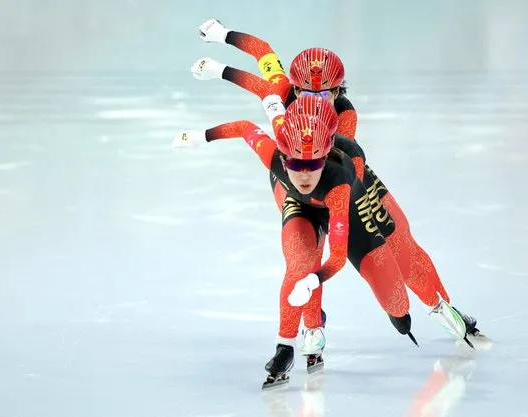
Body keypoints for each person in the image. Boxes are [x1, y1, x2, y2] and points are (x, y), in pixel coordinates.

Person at [191, 19, 487, 346]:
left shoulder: (344, 116)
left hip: (340, 177)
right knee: (305, 255)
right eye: (305, 91)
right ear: (294, 87)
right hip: (295, 181)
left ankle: (442, 304)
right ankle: (312, 327)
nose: (314, 99)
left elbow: (344, 161)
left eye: (323, 94)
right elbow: (263, 55)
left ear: (337, 91)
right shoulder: (281, 89)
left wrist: (221, 70)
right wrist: (220, 41)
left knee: (401, 244)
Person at [172, 95, 414, 388]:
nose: (304, 174)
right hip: (300, 207)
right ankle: (285, 347)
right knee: (299, 263)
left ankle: (332, 322)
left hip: (341, 208)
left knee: (398, 306)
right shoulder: (274, 153)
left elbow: (337, 257)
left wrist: (314, 282)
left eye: (313, 164)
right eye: (296, 163)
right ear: (283, 157)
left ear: (325, 158)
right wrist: (201, 137)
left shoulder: (339, 182)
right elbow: (246, 128)